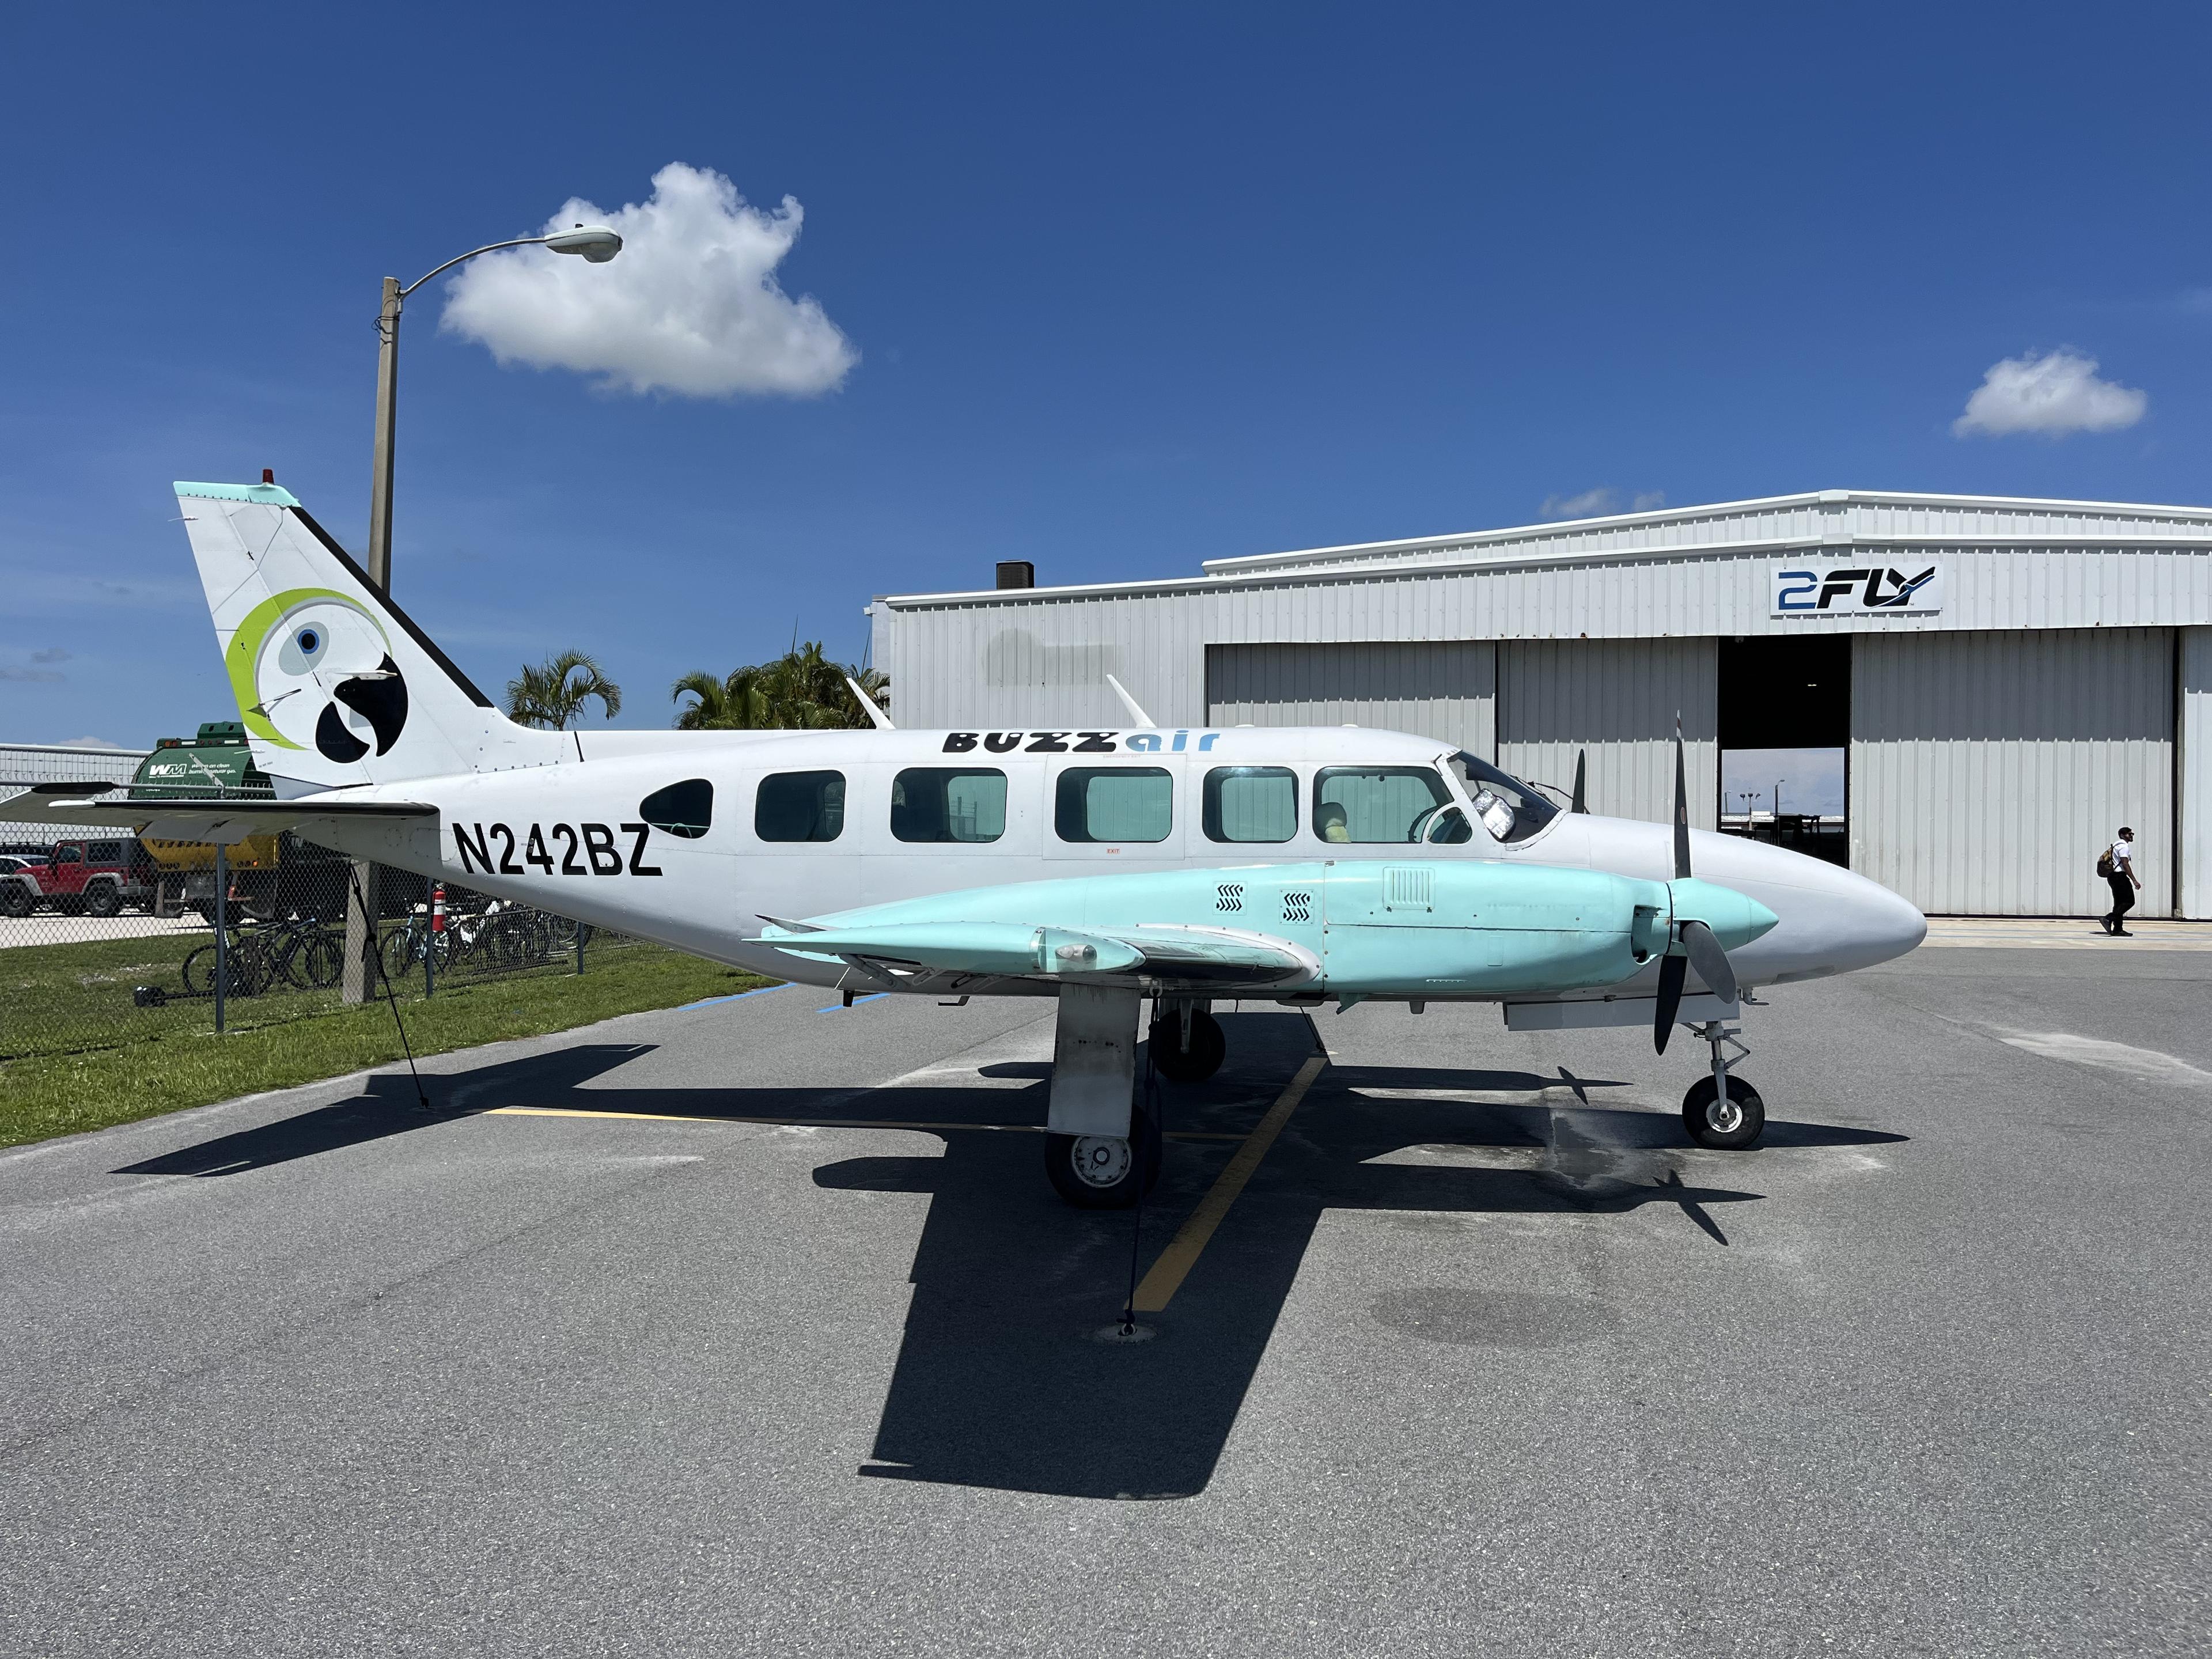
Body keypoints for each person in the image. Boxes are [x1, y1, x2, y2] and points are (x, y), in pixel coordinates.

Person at [2101, 826, 2141, 935]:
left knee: (2119, 903)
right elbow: (2125, 863)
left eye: (2132, 834)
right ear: (2123, 835)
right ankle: (2109, 918)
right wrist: (2134, 880)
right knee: (2129, 901)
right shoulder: (2124, 847)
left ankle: (2118, 929)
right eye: (2129, 834)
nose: (2132, 836)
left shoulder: (2115, 846)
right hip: (2120, 876)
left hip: (2112, 876)